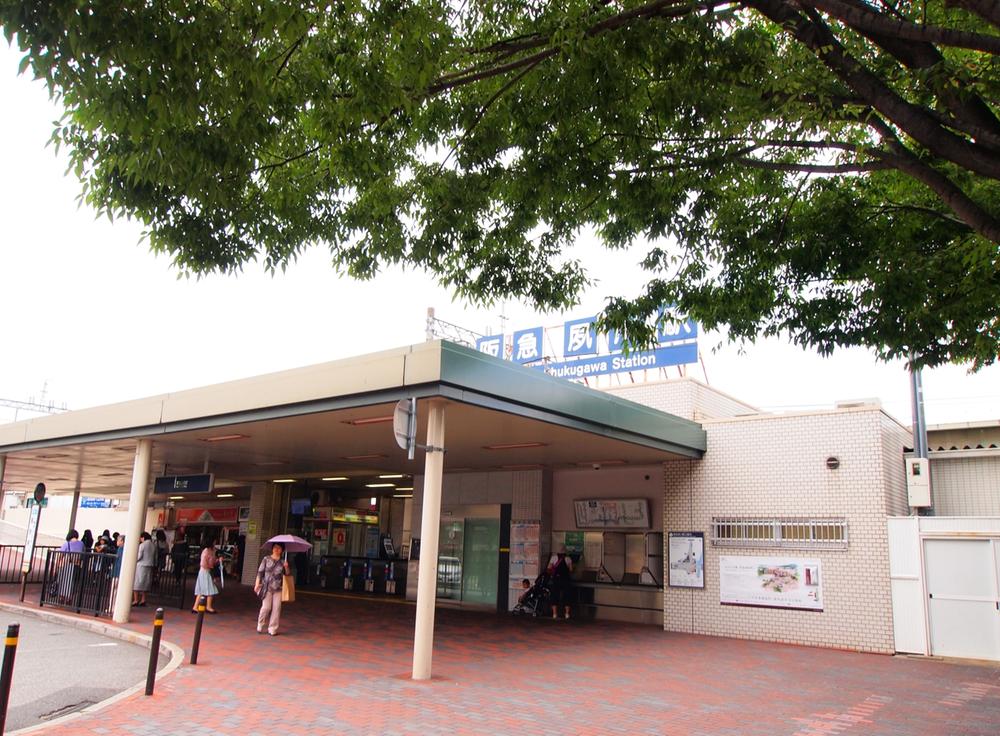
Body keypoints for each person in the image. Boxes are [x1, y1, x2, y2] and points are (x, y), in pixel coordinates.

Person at [254, 542, 291, 636]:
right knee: (266, 607)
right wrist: (257, 584)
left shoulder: (283, 561)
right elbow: (260, 572)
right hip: (267, 587)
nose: (277, 549)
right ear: (272, 548)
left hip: (278, 588)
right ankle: (260, 623)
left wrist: (286, 567)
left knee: (277, 608)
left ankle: (272, 628)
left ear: (282, 550)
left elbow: (287, 575)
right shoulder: (266, 559)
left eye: (279, 548)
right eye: (275, 547)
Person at [55, 529, 84, 603]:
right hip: (76, 565)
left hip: (66, 565)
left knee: (63, 581)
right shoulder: (81, 544)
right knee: (72, 582)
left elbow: (61, 555)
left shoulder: (66, 544)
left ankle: (62, 597)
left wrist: (57, 565)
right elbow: (83, 554)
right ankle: (69, 598)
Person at [547, 545, 574, 620]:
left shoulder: (553, 558)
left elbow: (548, 568)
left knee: (555, 595)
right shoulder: (568, 559)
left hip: (556, 579)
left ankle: (555, 614)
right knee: (567, 596)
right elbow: (571, 570)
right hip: (566, 579)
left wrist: (553, 574)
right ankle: (567, 614)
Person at [193, 542, 220, 613]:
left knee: (201, 590)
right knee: (210, 589)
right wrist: (216, 561)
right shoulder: (208, 551)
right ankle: (208, 607)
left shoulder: (206, 551)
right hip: (205, 571)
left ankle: (195, 607)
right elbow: (210, 562)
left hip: (203, 571)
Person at [133, 531, 155, 607]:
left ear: (143, 537)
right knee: (146, 583)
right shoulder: (153, 545)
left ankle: (135, 600)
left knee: (137, 582)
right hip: (149, 565)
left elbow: (139, 556)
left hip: (141, 566)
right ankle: (143, 599)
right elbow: (155, 556)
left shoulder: (142, 545)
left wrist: (133, 560)